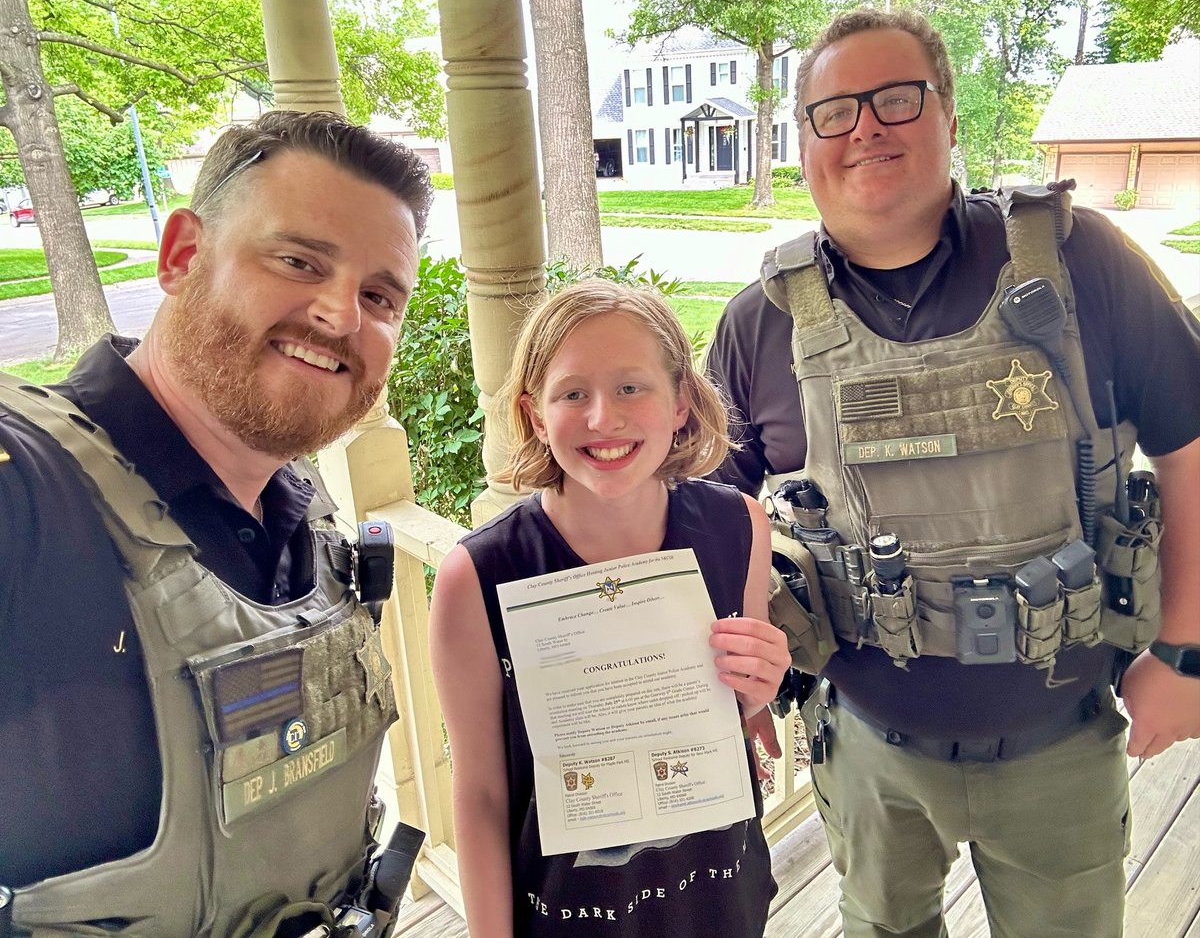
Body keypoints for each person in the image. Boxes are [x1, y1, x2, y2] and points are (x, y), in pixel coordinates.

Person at [706, 8, 1200, 938]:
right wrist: (728, 680)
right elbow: (717, 510)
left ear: (950, 118)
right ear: (803, 138)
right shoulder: (760, 322)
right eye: (834, 110)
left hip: (1062, 740)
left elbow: (1192, 445)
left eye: (896, 98)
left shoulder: (1081, 258)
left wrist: (1185, 651)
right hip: (866, 749)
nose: (866, 127)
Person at [0, 110, 433, 934]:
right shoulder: (27, 495)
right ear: (182, 255)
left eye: (380, 296)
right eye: (299, 260)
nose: (342, 315)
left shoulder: (308, 517)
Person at [429, 279, 790, 937]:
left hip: (716, 896)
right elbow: (480, 793)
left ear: (680, 401)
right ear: (536, 414)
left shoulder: (740, 526)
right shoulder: (477, 575)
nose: (603, 417)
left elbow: (739, 713)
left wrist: (760, 686)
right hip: (567, 913)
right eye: (572, 393)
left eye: (631, 386)